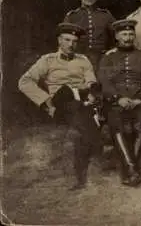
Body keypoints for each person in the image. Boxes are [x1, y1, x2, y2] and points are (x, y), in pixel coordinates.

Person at [18, 23, 102, 190]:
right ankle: (95, 145)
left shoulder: (83, 60)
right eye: (67, 40)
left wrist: (92, 92)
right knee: (70, 99)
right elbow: (24, 82)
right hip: (59, 103)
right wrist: (45, 101)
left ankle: (80, 178)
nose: (71, 44)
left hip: (81, 101)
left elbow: (91, 80)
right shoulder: (47, 60)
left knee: (81, 118)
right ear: (59, 41)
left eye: (75, 41)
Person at [98, 19, 141, 187]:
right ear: (117, 36)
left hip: (138, 101)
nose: (128, 37)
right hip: (116, 102)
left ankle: (130, 168)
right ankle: (132, 168)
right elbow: (104, 81)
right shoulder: (108, 57)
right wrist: (118, 98)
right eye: (124, 34)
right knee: (117, 124)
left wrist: (140, 99)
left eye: (131, 34)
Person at [64, 0, 116, 71]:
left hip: (102, 62)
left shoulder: (106, 15)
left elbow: (117, 37)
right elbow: (64, 42)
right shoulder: (72, 16)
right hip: (77, 61)